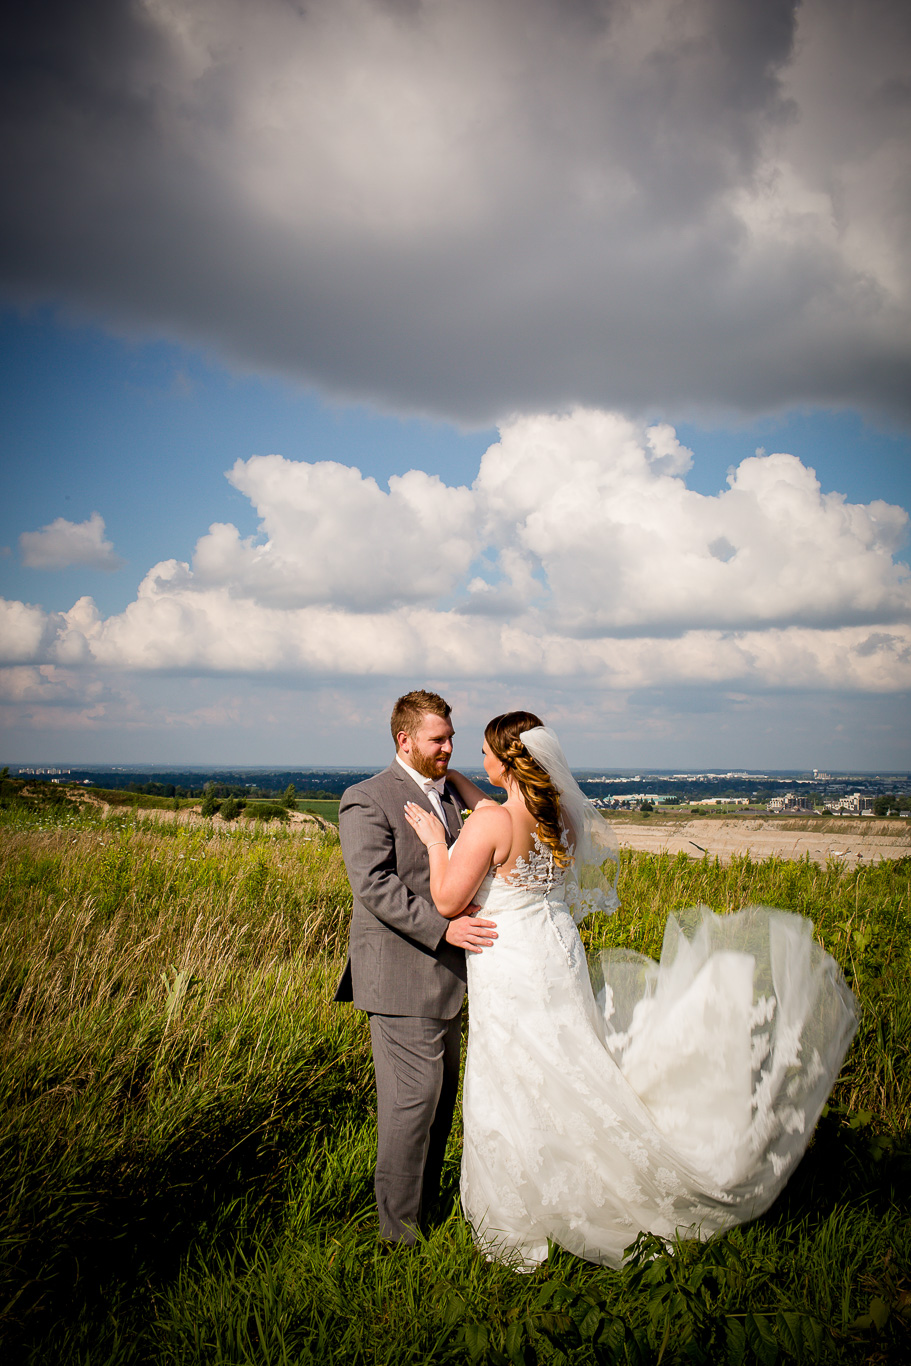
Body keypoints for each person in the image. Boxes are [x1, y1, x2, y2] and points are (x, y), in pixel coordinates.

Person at [404, 710, 858, 1269]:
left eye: (484, 752)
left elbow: (448, 900)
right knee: (568, 1061)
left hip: (512, 961)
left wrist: (432, 841)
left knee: (514, 1071)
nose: (476, 760)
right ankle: (579, 1179)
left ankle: (527, 1212)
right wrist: (458, 786)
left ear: (508, 760)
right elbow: (493, 806)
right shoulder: (559, 815)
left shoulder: (489, 823)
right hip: (555, 953)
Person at [335, 689, 498, 1246]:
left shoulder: (452, 796)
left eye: (452, 737)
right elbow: (373, 885)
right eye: (439, 739)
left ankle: (422, 1215)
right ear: (404, 739)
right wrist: (444, 928)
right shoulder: (367, 799)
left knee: (439, 1104)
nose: (450, 748)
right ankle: (398, 1238)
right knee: (411, 1108)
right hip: (401, 978)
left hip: (450, 979)